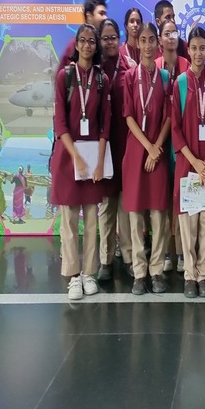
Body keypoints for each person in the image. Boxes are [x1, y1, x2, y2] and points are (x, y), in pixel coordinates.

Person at [50, 24, 111, 300]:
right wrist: (75, 157)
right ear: (76, 45)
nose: (87, 45)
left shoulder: (101, 79)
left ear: (96, 47)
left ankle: (88, 273)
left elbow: (104, 124)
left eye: (91, 41)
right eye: (82, 41)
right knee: (69, 220)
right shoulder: (65, 76)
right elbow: (60, 122)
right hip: (69, 157)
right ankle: (73, 276)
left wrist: (98, 162)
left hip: (93, 158)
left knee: (91, 219)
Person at [171, 27, 205, 298]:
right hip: (187, 166)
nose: (198, 52)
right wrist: (194, 161)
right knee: (188, 225)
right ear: (188, 50)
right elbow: (176, 130)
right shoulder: (180, 83)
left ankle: (204, 275)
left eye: (203, 47)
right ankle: (190, 275)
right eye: (194, 47)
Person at [123, 22, 172, 295]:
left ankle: (156, 272)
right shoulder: (130, 76)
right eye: (144, 40)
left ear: (158, 43)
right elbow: (129, 116)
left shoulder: (165, 77)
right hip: (136, 151)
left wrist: (156, 147)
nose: (149, 45)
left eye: (152, 39)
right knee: (136, 215)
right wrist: (147, 147)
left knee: (158, 216)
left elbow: (168, 116)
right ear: (137, 43)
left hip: (159, 151)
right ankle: (139, 273)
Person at [96, 18, 132, 281]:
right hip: (103, 151)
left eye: (113, 37)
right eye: (105, 37)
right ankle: (105, 261)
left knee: (126, 208)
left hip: (126, 149)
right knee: (107, 208)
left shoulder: (128, 70)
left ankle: (130, 258)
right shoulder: (95, 72)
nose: (110, 42)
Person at [156, 17, 190, 272]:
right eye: (166, 33)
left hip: (182, 139)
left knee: (180, 196)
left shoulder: (188, 65)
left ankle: (180, 252)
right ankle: (166, 252)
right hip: (159, 138)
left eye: (175, 32)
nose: (171, 37)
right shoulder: (155, 67)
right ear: (159, 39)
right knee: (164, 198)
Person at [58, 0, 108, 69]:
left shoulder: (104, 43)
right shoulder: (74, 44)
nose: (105, 18)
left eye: (105, 14)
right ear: (89, 16)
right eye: (101, 13)